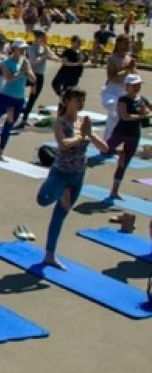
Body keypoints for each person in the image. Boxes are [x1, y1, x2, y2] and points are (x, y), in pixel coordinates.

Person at [37, 89, 107, 269]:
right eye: (78, 100)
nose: (81, 103)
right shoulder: (60, 122)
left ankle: (49, 255)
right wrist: (82, 136)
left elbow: (105, 148)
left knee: (60, 216)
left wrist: (90, 134)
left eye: (83, 100)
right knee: (42, 200)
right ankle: (61, 192)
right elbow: (63, 144)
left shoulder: (84, 123)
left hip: (78, 175)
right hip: (60, 173)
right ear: (66, 101)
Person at [0, 40, 35, 162]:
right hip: (7, 95)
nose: (23, 51)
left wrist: (27, 71)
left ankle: (0, 153)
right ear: (14, 49)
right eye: (20, 48)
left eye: (24, 48)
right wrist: (21, 72)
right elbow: (9, 79)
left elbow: (33, 78)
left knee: (9, 125)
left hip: (19, 98)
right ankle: (5, 110)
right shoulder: (6, 63)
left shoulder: (25, 62)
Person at [103, 74, 149, 200]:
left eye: (138, 85)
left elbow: (150, 111)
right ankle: (119, 153)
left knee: (124, 165)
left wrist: (147, 113)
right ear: (127, 87)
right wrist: (142, 116)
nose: (137, 87)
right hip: (121, 132)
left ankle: (114, 191)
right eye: (134, 85)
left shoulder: (142, 99)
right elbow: (124, 116)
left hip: (134, 135)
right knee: (105, 149)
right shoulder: (123, 99)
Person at [102, 34, 136, 139]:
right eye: (125, 43)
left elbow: (134, 76)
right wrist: (126, 70)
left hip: (124, 91)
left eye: (129, 43)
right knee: (114, 113)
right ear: (118, 44)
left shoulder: (129, 59)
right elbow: (111, 77)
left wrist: (133, 70)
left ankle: (113, 141)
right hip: (112, 90)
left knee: (120, 118)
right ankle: (107, 141)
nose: (127, 45)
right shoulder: (112, 58)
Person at [20, 30, 57, 126]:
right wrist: (44, 56)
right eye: (43, 37)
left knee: (33, 98)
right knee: (17, 92)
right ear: (38, 38)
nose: (45, 39)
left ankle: (24, 118)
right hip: (30, 74)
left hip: (40, 75)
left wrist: (64, 60)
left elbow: (53, 57)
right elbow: (33, 62)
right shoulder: (32, 48)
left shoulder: (44, 47)